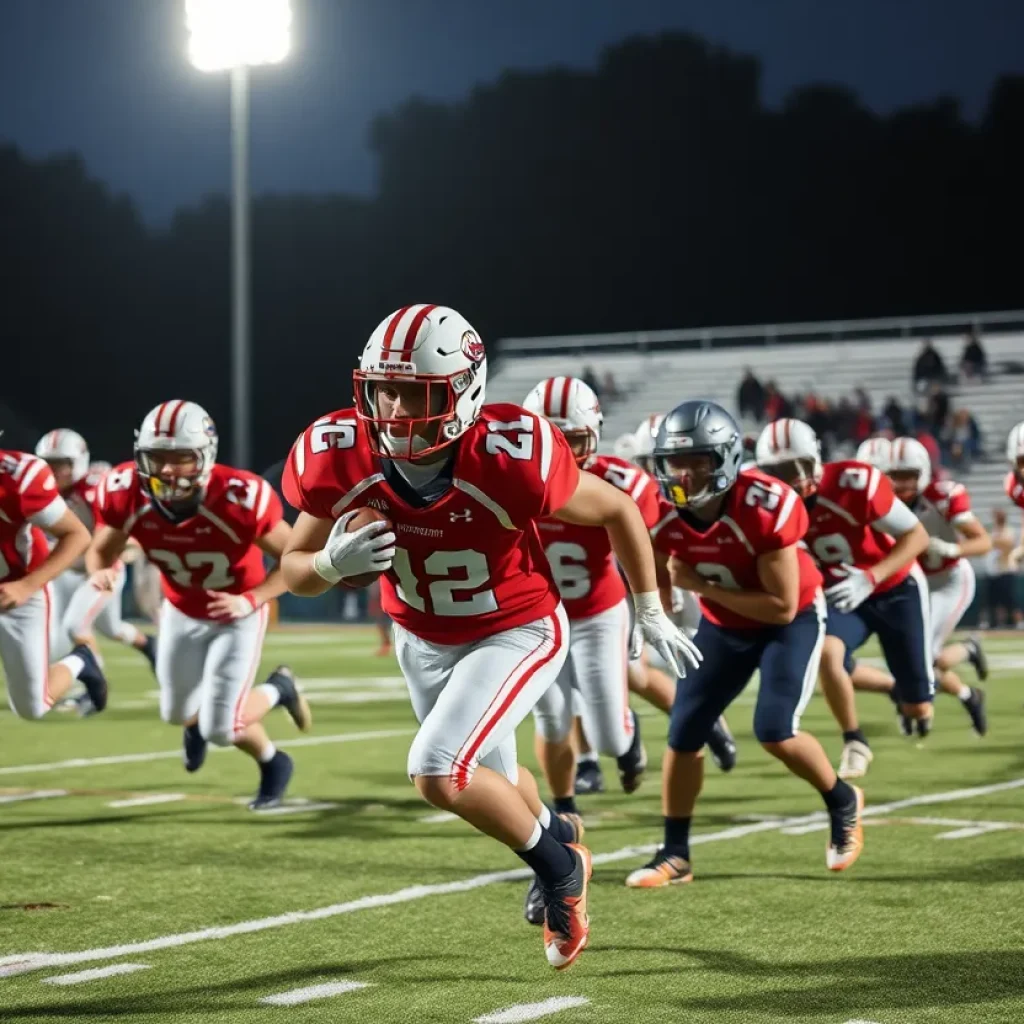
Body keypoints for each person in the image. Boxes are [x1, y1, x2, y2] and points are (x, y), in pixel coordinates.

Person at [279, 304, 700, 971]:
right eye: (382, 389)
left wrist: (647, 609)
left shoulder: (510, 456)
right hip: (420, 637)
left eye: (414, 391)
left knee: (438, 769)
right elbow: (293, 571)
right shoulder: (340, 455)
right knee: (498, 782)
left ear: (464, 391)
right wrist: (330, 566)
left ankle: (559, 869)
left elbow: (618, 508)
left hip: (517, 626)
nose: (393, 408)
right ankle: (561, 835)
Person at [625, 402, 864, 890]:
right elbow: (655, 562)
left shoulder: (767, 504)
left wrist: (700, 586)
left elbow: (779, 605)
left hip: (789, 621)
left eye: (699, 461)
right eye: (676, 463)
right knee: (684, 729)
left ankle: (842, 800)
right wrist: (661, 612)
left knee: (775, 729)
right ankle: (675, 854)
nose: (685, 474)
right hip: (723, 624)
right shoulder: (659, 510)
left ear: (728, 459)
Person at [86, 400, 311, 809]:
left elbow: (295, 558)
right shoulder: (125, 494)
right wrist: (100, 570)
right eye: (158, 458)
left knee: (223, 728)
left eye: (181, 458)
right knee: (175, 713)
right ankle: (231, 711)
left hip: (235, 614)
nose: (168, 470)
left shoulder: (238, 498)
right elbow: (100, 551)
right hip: (180, 609)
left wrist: (253, 598)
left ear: (204, 456)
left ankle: (274, 746)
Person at [519, 375, 653, 924]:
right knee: (551, 720)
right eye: (553, 435)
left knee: (606, 733)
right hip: (534, 614)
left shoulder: (622, 481)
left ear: (595, 436)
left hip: (599, 612)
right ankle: (563, 817)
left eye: (575, 437)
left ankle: (628, 732)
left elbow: (644, 542)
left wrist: (652, 608)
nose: (566, 449)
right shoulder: (510, 478)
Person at [756, 418, 932, 780]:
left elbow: (917, 537)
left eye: (798, 467)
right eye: (778, 471)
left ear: (816, 461)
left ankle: (908, 698)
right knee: (827, 654)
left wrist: (871, 576)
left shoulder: (855, 483)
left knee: (919, 707)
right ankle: (855, 739)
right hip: (841, 593)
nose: (791, 478)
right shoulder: (762, 502)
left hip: (895, 586)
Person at [888, 437, 990, 734]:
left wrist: (952, 549)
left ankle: (917, 706)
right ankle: (967, 689)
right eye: (894, 475)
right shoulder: (881, 502)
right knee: (919, 658)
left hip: (950, 581)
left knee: (921, 657)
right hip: (915, 585)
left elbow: (983, 541)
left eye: (908, 475)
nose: (901, 483)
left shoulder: (942, 497)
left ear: (922, 473)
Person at [0, 445, 109, 720]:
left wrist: (26, 586)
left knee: (31, 706)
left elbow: (77, 535)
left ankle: (81, 660)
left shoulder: (18, 476)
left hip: (18, 589)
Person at [34, 430, 156, 673]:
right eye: (50, 464)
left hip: (101, 570)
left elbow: (108, 537)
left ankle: (93, 689)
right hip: (69, 570)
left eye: (62, 464)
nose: (56, 471)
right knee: (109, 628)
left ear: (78, 463)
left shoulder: (91, 490)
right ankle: (150, 646)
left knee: (75, 626)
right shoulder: (41, 491)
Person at [987, 507, 1021, 629]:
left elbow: (1007, 544)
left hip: (1007, 570)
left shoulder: (1008, 531)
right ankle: (999, 623)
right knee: (996, 600)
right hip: (996, 571)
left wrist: (995, 541)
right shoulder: (994, 531)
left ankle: (1019, 622)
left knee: (1010, 599)